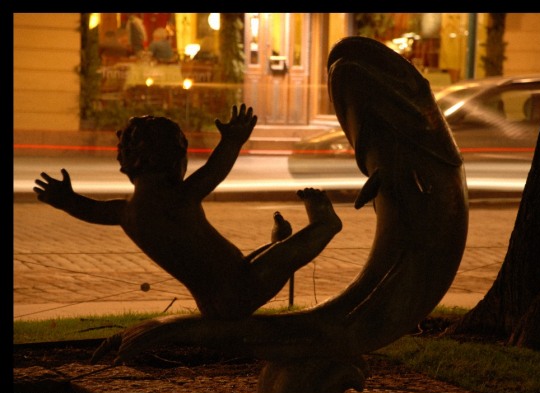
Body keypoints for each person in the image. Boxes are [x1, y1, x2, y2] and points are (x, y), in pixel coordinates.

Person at [33, 104, 342, 320]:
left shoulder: (125, 212)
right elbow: (215, 170)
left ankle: (277, 244)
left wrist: (66, 199)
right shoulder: (179, 198)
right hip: (242, 288)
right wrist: (233, 141)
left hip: (213, 301)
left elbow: (89, 210)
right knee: (293, 251)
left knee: (267, 256)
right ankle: (324, 224)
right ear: (174, 162)